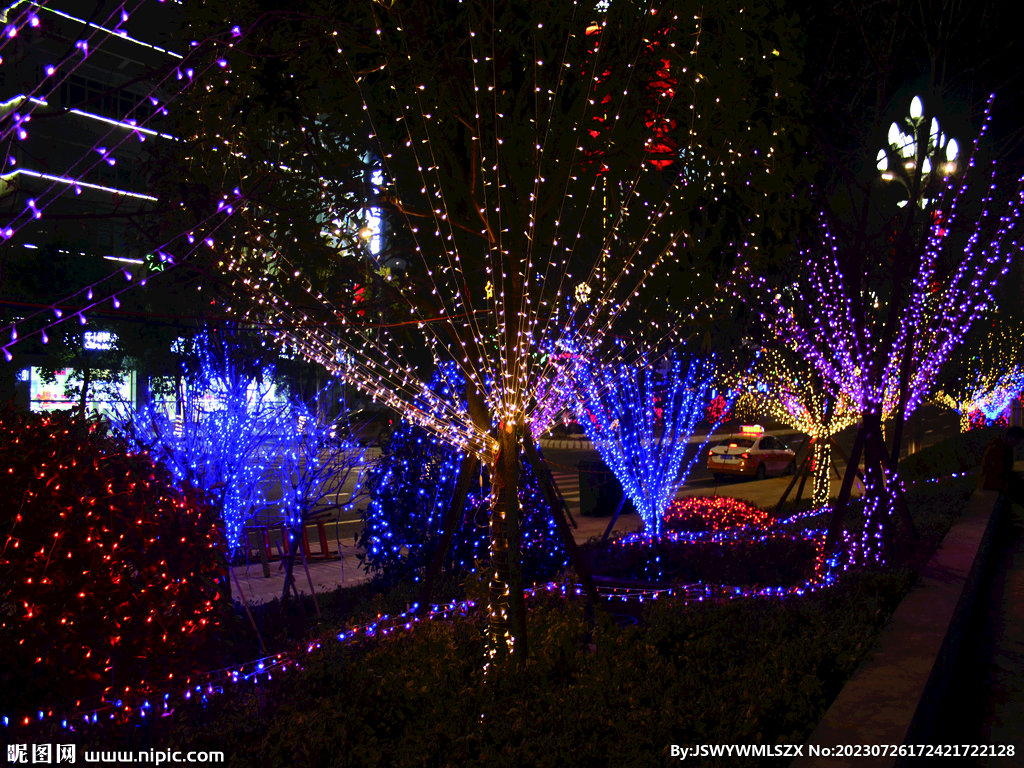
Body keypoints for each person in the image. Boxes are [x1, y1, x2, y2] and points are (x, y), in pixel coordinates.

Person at [978, 425, 1024, 505]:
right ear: (1011, 437)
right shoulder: (1000, 449)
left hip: (991, 486)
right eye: (1017, 441)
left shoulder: (1000, 446)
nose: (1017, 444)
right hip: (994, 487)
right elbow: (999, 472)